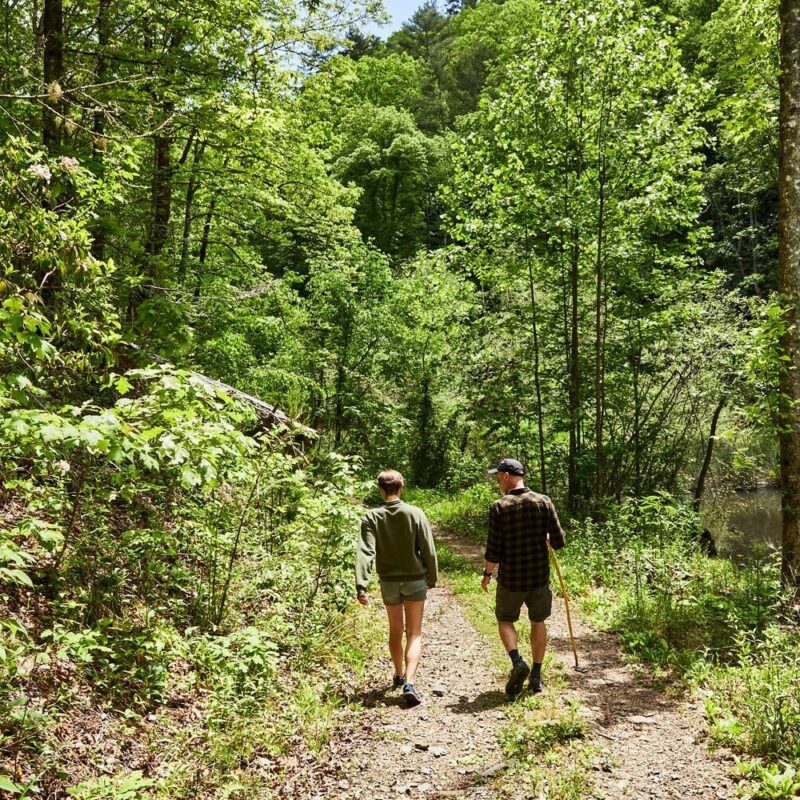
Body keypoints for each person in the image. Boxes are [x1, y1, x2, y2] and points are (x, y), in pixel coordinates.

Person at [481, 458, 566, 698]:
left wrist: (487, 574)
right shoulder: (544, 501)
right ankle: (536, 677)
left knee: (505, 619)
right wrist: (548, 536)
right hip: (538, 577)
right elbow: (559, 542)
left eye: (498, 475)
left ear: (507, 476)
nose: (498, 480)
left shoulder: (499, 506)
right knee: (538, 621)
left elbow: (493, 548)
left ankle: (518, 662)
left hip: (511, 580)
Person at [356, 469, 438, 707]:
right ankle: (409, 683)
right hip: (414, 581)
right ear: (401, 488)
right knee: (414, 632)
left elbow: (365, 552)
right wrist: (431, 578)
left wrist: (361, 585)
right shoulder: (415, 513)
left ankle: (399, 673)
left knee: (395, 631)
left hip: (388, 583)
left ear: (380, 490)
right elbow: (428, 549)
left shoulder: (371, 517)